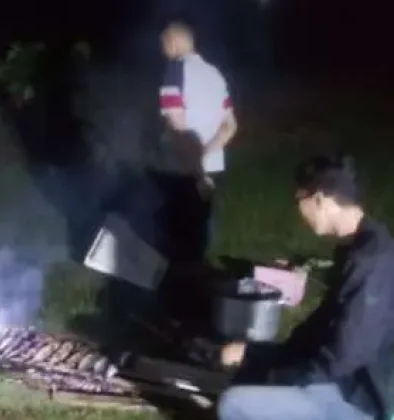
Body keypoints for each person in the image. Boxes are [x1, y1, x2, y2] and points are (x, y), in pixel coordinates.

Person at [217, 155, 394, 420]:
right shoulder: (359, 247)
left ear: (319, 199)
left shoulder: (371, 261)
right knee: (250, 379)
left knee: (234, 403)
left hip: (361, 399)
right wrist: (257, 355)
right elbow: (320, 328)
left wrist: (279, 376)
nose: (298, 211)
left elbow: (346, 357)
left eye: (299, 200)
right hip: (342, 381)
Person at [158, 21, 238, 248]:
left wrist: (197, 168)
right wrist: (206, 155)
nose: (163, 52)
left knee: (179, 233)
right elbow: (230, 126)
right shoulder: (215, 74)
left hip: (185, 169)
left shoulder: (174, 71)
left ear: (172, 42)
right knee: (203, 226)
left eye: (163, 46)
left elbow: (178, 126)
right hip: (213, 166)